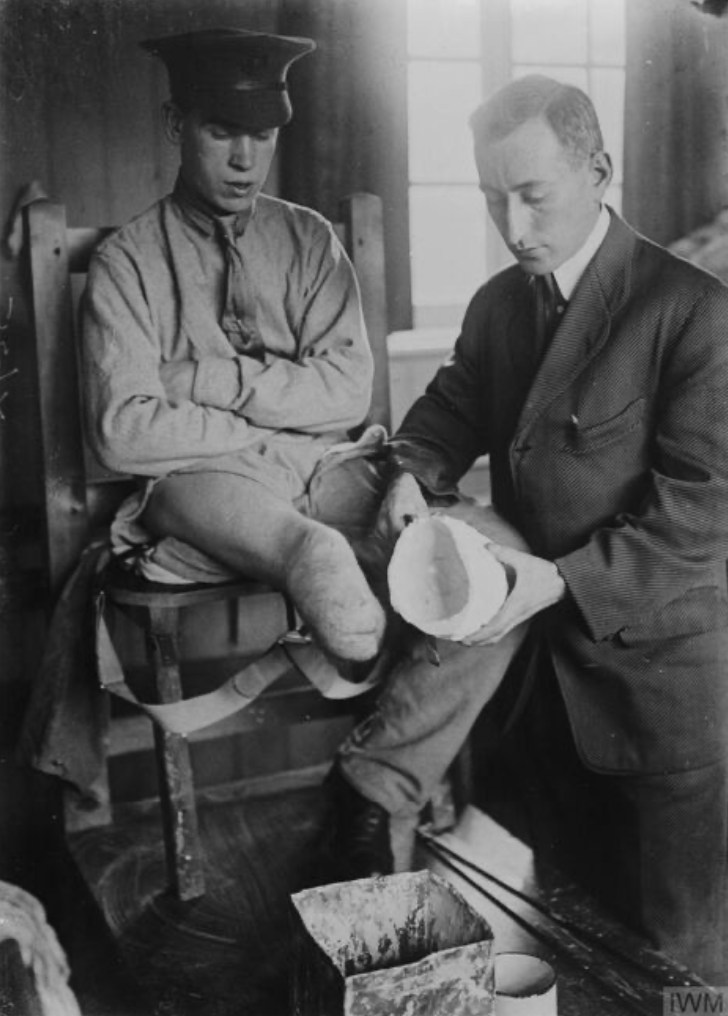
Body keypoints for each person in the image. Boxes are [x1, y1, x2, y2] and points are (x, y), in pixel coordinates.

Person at [324, 74, 728, 984]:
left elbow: (699, 517)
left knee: (688, 969)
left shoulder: (694, 312)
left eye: (534, 195)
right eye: (491, 196)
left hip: (656, 702)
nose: (513, 225)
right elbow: (448, 410)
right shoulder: (501, 304)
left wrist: (553, 581)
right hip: (541, 696)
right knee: (567, 937)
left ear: (600, 171)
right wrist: (410, 473)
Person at [81, 27, 390, 667]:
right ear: (176, 122)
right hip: (205, 482)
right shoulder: (126, 262)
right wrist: (262, 428)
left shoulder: (310, 240)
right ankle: (316, 560)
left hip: (320, 465)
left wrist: (199, 382)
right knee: (310, 547)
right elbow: (124, 432)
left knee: (448, 537)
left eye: (263, 135)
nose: (246, 159)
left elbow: (348, 394)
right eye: (222, 132)